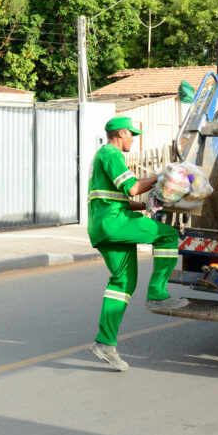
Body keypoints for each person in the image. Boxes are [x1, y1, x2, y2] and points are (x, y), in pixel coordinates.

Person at [87, 116, 187, 371]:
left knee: (123, 282)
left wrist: (147, 204)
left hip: (103, 225)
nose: (134, 139)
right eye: (132, 134)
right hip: (114, 222)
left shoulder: (102, 157)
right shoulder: (111, 154)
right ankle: (157, 293)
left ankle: (105, 344)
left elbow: (121, 198)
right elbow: (132, 188)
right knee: (168, 235)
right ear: (121, 133)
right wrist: (161, 175)